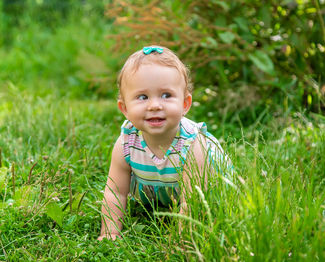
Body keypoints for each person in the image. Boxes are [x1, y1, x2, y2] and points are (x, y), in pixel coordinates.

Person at [97, 46, 233, 241]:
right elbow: (116, 192)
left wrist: (180, 241)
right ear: (124, 108)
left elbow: (191, 202)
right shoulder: (126, 143)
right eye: (142, 97)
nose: (155, 105)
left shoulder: (194, 146)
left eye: (166, 95)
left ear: (185, 104)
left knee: (210, 205)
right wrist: (109, 233)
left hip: (201, 192)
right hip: (163, 191)